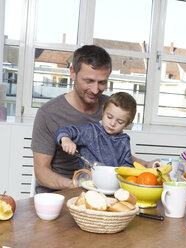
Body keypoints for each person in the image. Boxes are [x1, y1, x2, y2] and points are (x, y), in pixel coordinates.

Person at [32, 45, 154, 193]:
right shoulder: (49, 113)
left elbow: (113, 149)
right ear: (73, 73)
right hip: (62, 192)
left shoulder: (111, 107)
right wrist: (78, 184)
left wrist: (145, 165)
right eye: (89, 81)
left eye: (102, 82)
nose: (96, 90)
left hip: (103, 191)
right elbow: (41, 173)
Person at [54, 92, 137, 169]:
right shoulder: (91, 130)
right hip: (86, 180)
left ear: (127, 124)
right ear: (103, 110)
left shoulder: (124, 141)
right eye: (109, 117)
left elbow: (128, 165)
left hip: (111, 182)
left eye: (120, 122)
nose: (112, 124)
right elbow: (64, 130)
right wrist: (66, 139)